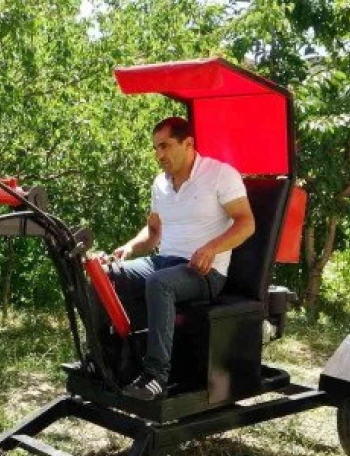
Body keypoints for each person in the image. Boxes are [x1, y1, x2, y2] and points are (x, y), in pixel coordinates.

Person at [99, 116, 255, 400]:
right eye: (155, 149)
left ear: (188, 143)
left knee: (160, 284)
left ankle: (156, 376)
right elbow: (154, 230)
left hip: (205, 272)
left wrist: (211, 248)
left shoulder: (220, 174)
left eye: (165, 146)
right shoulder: (160, 183)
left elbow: (246, 223)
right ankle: (106, 360)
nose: (159, 155)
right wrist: (130, 247)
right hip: (163, 262)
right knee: (106, 275)